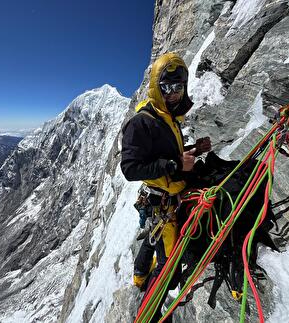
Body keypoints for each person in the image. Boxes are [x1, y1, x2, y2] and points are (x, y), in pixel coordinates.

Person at [121, 52, 211, 322]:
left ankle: (139, 277)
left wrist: (193, 149)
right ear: (156, 89)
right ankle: (149, 315)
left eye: (178, 87)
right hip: (162, 201)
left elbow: (163, 152)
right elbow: (130, 168)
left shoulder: (166, 117)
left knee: (152, 238)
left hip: (161, 201)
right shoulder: (142, 122)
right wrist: (174, 164)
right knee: (168, 265)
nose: (173, 94)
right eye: (167, 88)